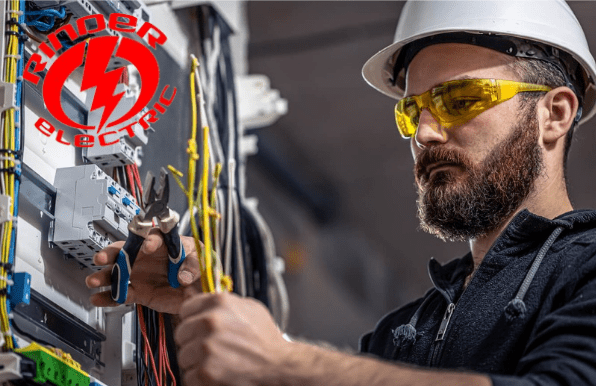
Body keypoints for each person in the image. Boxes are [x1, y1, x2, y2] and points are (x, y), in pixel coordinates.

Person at [85, 0, 596, 385]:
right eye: (411, 111)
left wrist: (283, 361)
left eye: (459, 99)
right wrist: (197, 313)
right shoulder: (401, 333)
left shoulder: (584, 270)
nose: (425, 133)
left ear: (554, 114)